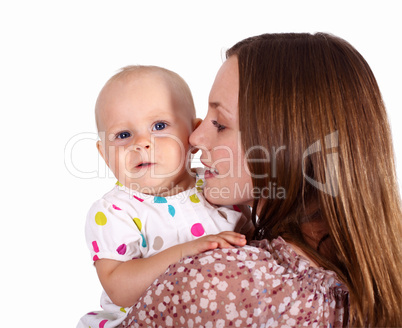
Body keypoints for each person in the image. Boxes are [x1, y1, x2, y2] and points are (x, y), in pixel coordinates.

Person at [120, 33, 402, 327]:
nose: (195, 137)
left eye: (220, 123)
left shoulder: (216, 281)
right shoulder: (378, 283)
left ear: (287, 143)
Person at [77, 65, 253, 328]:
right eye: (124, 135)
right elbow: (118, 288)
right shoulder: (114, 211)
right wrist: (186, 253)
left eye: (159, 126)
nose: (142, 143)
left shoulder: (218, 186)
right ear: (104, 154)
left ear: (193, 135)